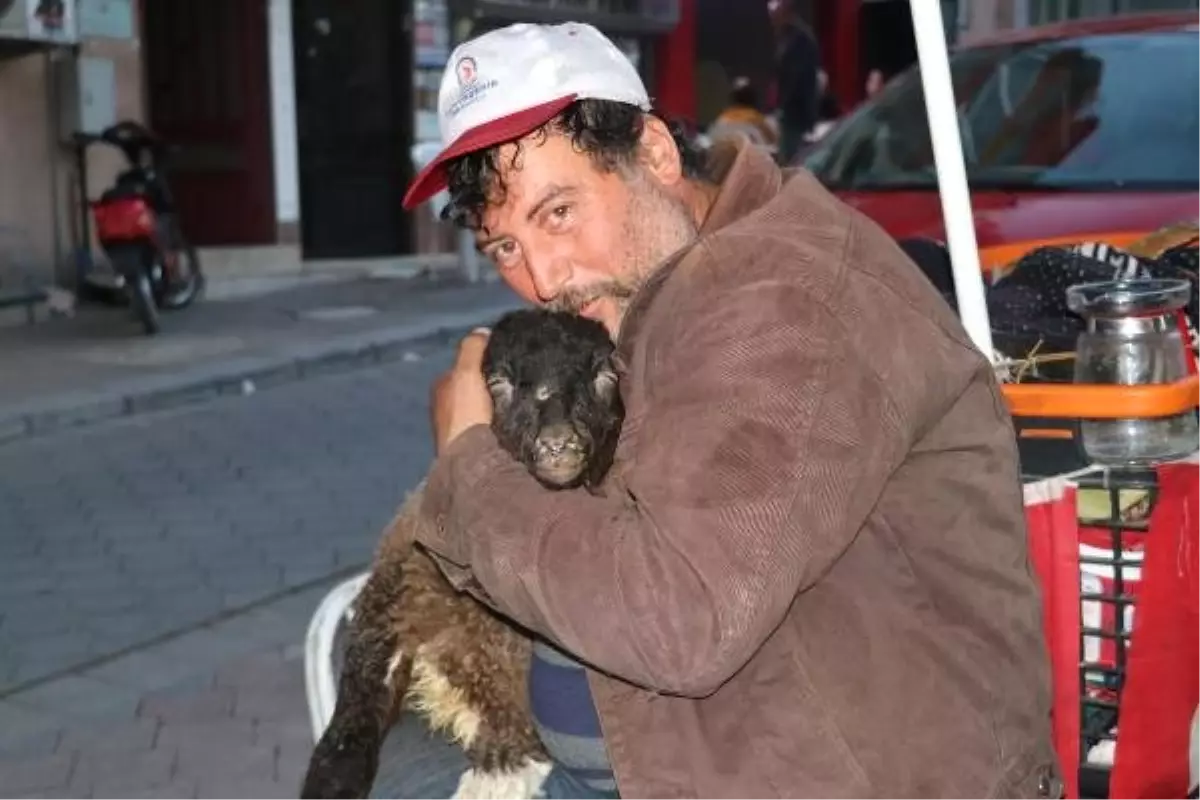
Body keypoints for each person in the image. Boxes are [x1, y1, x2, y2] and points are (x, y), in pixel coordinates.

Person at [387, 19, 1062, 800]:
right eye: (504, 246)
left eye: (559, 212)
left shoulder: (787, 302)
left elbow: (681, 619)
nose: (542, 277)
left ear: (653, 154)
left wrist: (469, 466)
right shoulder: (662, 286)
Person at [768, 0, 821, 164]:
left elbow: (798, 78)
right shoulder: (786, 37)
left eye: (775, 14)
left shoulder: (799, 39)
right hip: (789, 112)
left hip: (795, 113)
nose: (773, 20)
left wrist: (784, 105)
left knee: (792, 161)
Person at [708, 76, 778, 149]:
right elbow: (773, 144)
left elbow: (711, 143)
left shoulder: (721, 120)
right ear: (753, 98)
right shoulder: (761, 122)